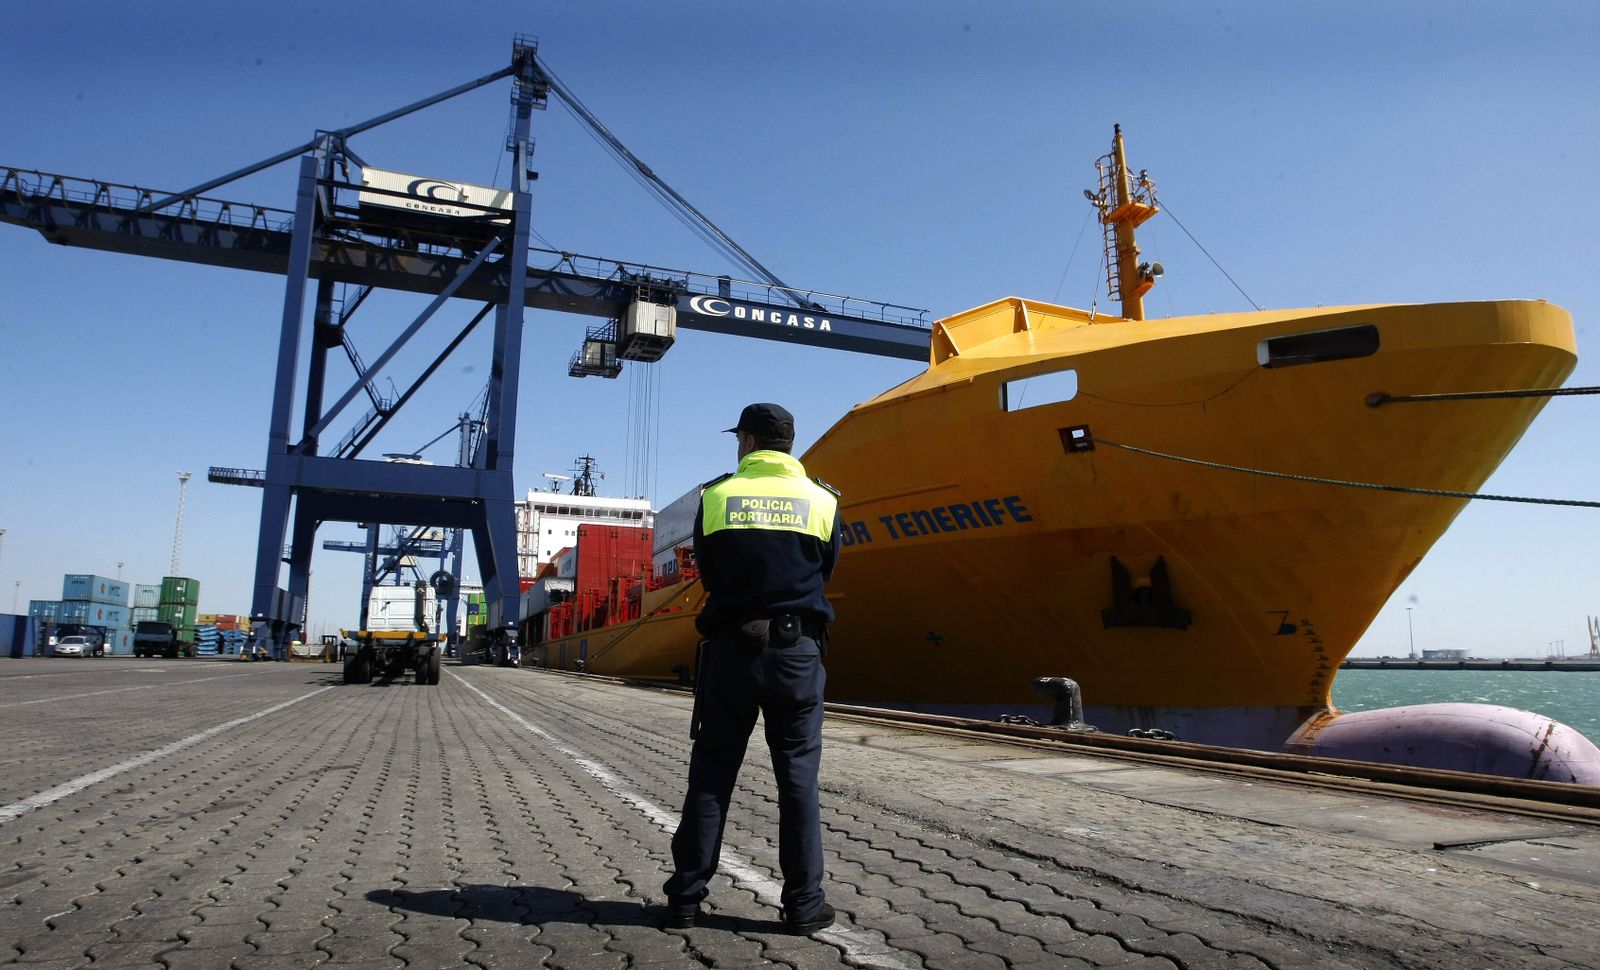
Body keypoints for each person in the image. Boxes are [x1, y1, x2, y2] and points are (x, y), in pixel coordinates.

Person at [663, 403, 841, 935]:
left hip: (731, 651)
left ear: (747, 441)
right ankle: (804, 905)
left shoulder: (718, 496)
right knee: (798, 778)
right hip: (798, 651)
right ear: (788, 443)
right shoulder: (823, 499)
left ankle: (685, 900)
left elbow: (708, 569)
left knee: (713, 770)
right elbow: (827, 566)